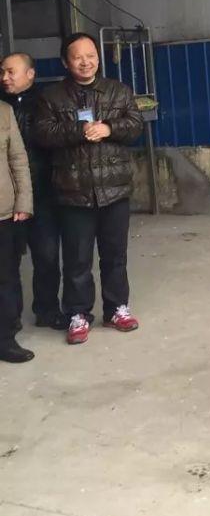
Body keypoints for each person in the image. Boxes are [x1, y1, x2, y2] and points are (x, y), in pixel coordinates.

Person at [34, 33, 143, 345]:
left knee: (115, 255)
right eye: (78, 57)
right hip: (73, 190)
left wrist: (109, 127)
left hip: (114, 189)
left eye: (91, 55)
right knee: (77, 258)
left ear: (98, 57)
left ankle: (116, 308)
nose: (86, 62)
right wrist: (79, 130)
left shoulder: (118, 91)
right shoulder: (51, 97)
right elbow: (43, 134)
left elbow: (135, 125)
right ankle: (78, 313)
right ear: (66, 62)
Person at [1, 52, 67, 330]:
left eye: (11, 72)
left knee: (47, 255)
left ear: (30, 74)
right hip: (8, 197)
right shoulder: (1, 105)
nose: (5, 78)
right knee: (8, 262)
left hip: (43, 192)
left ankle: (47, 310)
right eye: (2, 72)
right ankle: (10, 319)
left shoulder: (46, 103)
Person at [0, 98, 34, 362]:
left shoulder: (4, 111)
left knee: (6, 277)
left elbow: (18, 159)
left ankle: (6, 339)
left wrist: (23, 201)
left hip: (3, 211)